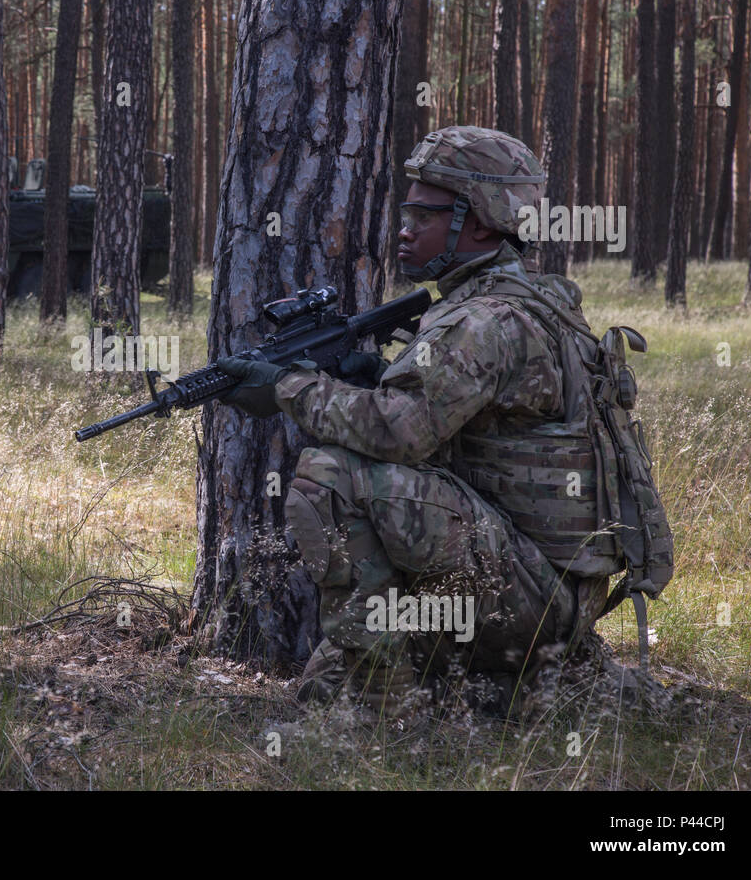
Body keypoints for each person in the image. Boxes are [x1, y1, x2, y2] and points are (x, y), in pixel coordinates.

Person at [216, 126, 670, 716]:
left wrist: (286, 386)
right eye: (406, 212)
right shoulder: (530, 299)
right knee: (322, 681)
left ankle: (378, 719)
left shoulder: (481, 322)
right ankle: (446, 681)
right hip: (554, 589)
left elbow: (399, 434)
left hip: (531, 599)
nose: (404, 229)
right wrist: (370, 377)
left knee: (331, 476)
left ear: (479, 223)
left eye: (423, 215)